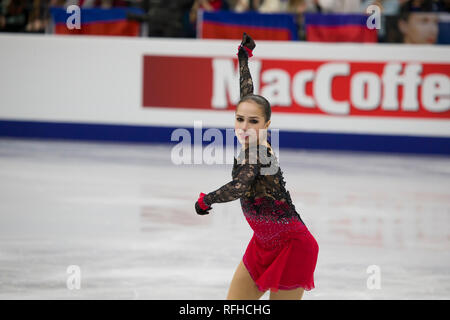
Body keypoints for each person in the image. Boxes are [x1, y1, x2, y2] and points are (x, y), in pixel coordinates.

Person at [194, 33, 319, 300]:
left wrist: (207, 200)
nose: (245, 127)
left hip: (292, 245)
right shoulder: (255, 138)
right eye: (240, 119)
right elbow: (247, 94)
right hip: (262, 244)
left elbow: (239, 187)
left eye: (253, 122)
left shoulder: (258, 153)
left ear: (266, 126)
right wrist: (243, 59)